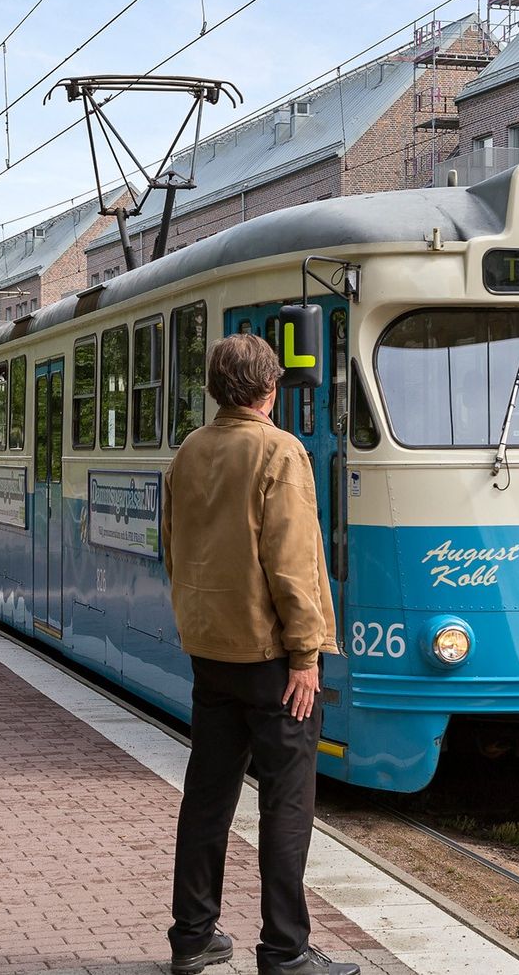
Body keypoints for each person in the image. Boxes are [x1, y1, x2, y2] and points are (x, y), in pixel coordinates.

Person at [162, 333, 357, 975]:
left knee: (208, 796)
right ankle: (285, 949)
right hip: (272, 660)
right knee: (287, 801)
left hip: (210, 652)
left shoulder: (188, 452)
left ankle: (192, 937)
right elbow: (294, 563)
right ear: (270, 389)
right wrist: (305, 654)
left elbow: (172, 545)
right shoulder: (280, 451)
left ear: (217, 390)